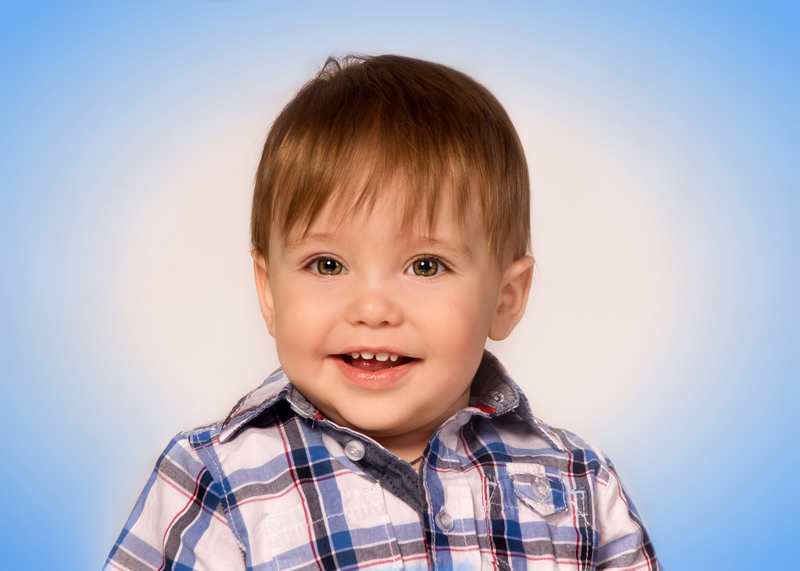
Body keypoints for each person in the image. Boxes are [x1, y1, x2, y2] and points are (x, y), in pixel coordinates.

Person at [104, 54, 660, 571]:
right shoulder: (216, 481)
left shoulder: (579, 483)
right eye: (327, 265)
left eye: (425, 266)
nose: (372, 309)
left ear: (506, 298)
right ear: (269, 292)